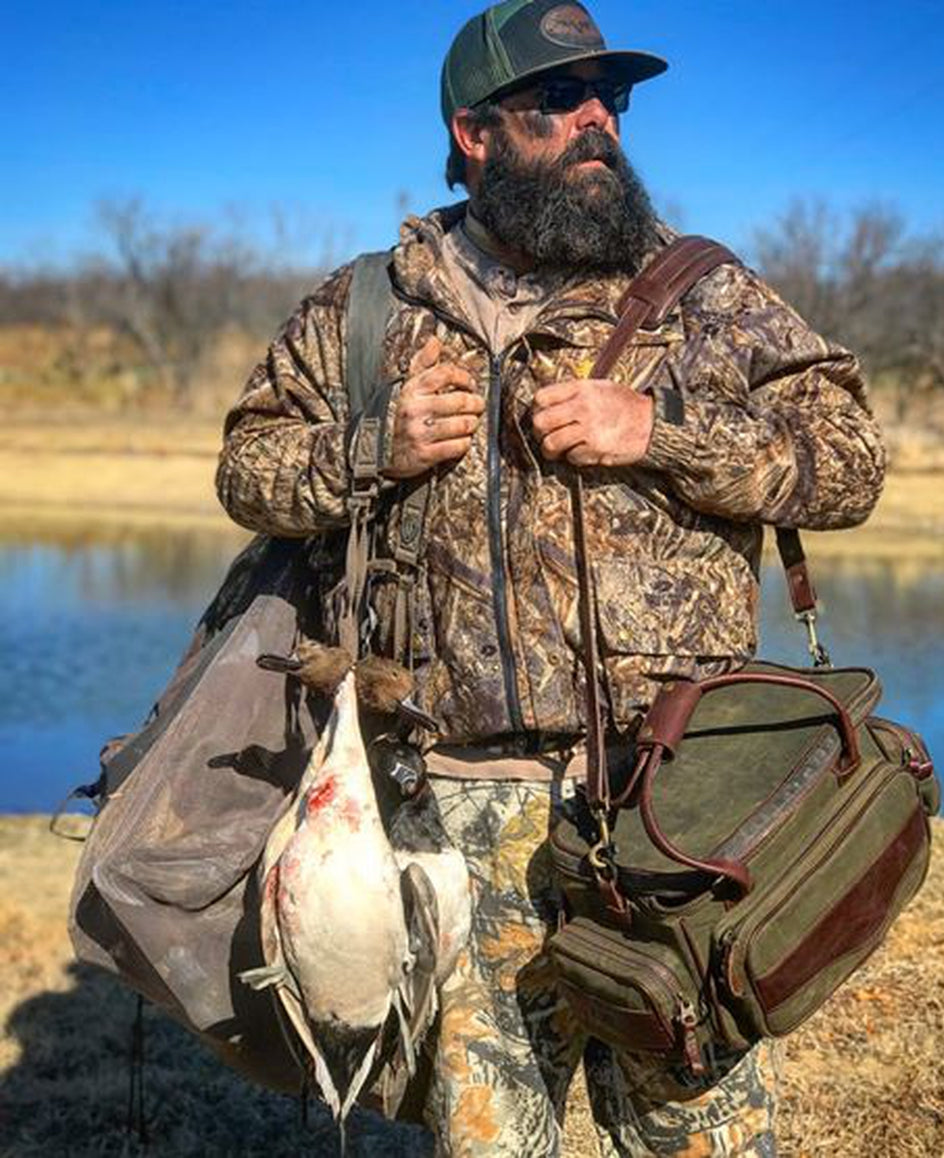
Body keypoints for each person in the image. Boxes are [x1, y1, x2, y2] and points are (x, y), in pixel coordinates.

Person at [216, 1, 886, 1153]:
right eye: (559, 102)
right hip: (455, 798)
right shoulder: (367, 307)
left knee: (701, 1135)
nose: (597, 124)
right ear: (475, 134)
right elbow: (247, 472)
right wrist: (368, 450)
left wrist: (660, 432)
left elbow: (851, 468)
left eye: (610, 101)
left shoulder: (704, 294)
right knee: (490, 1139)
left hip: (673, 804)